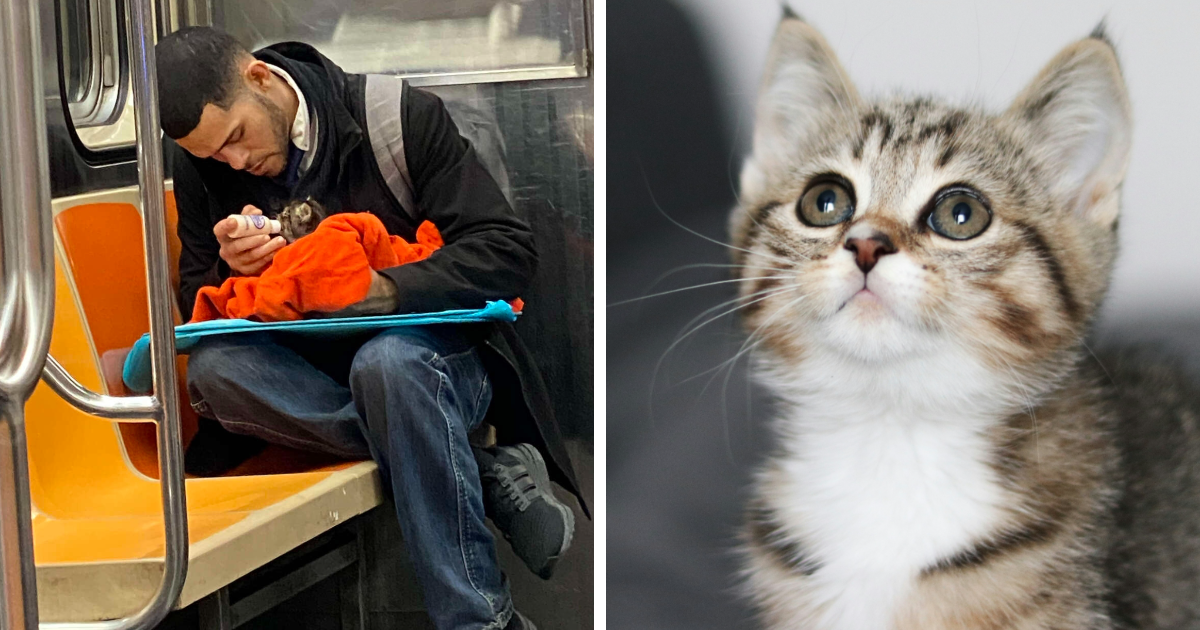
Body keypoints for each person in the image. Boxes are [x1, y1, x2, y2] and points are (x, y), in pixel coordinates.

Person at [155, 26, 586, 630]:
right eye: (214, 156)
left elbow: (506, 249)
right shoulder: (202, 164)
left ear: (259, 77)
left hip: (432, 359)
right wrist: (230, 269)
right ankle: (484, 472)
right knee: (216, 371)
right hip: (307, 376)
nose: (235, 162)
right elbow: (194, 305)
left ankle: (477, 620)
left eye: (236, 138)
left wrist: (386, 292)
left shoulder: (397, 118)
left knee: (389, 366)